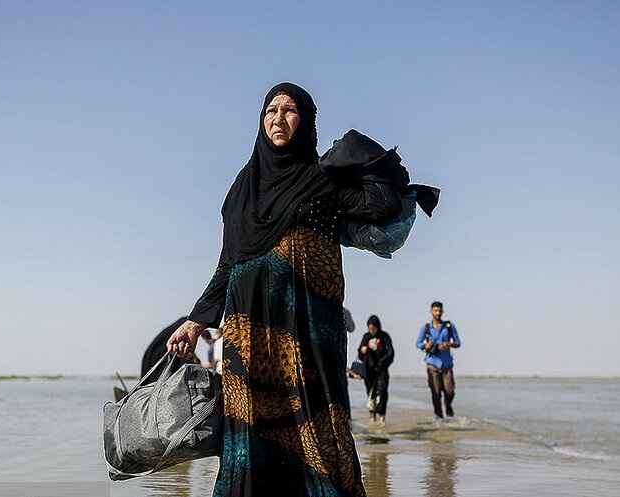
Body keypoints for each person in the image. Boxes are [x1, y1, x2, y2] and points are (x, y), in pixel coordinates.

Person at [166, 82, 439, 497]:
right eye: (270, 111)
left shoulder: (321, 180)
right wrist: (196, 321)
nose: (278, 118)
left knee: (318, 429)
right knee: (250, 437)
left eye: (289, 110)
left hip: (307, 333)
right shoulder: (242, 190)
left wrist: (355, 153)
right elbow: (227, 264)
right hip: (247, 336)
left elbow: (382, 205)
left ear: (306, 121)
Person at [416, 301, 460, 420]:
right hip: (432, 363)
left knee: (450, 391)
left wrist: (449, 344)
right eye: (435, 311)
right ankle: (439, 416)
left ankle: (448, 406)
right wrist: (426, 346)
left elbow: (458, 343)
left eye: (440, 310)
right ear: (431, 312)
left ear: (443, 311)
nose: (438, 313)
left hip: (446, 363)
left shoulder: (449, 326)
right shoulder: (426, 328)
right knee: (435, 392)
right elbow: (418, 343)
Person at [358, 315, 395, 426]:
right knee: (370, 393)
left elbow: (390, 353)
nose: (372, 331)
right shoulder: (366, 337)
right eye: (370, 329)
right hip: (369, 371)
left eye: (373, 328)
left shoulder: (384, 337)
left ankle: (382, 416)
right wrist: (362, 351)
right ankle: (372, 415)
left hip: (381, 370)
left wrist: (380, 364)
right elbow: (360, 354)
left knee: (382, 391)